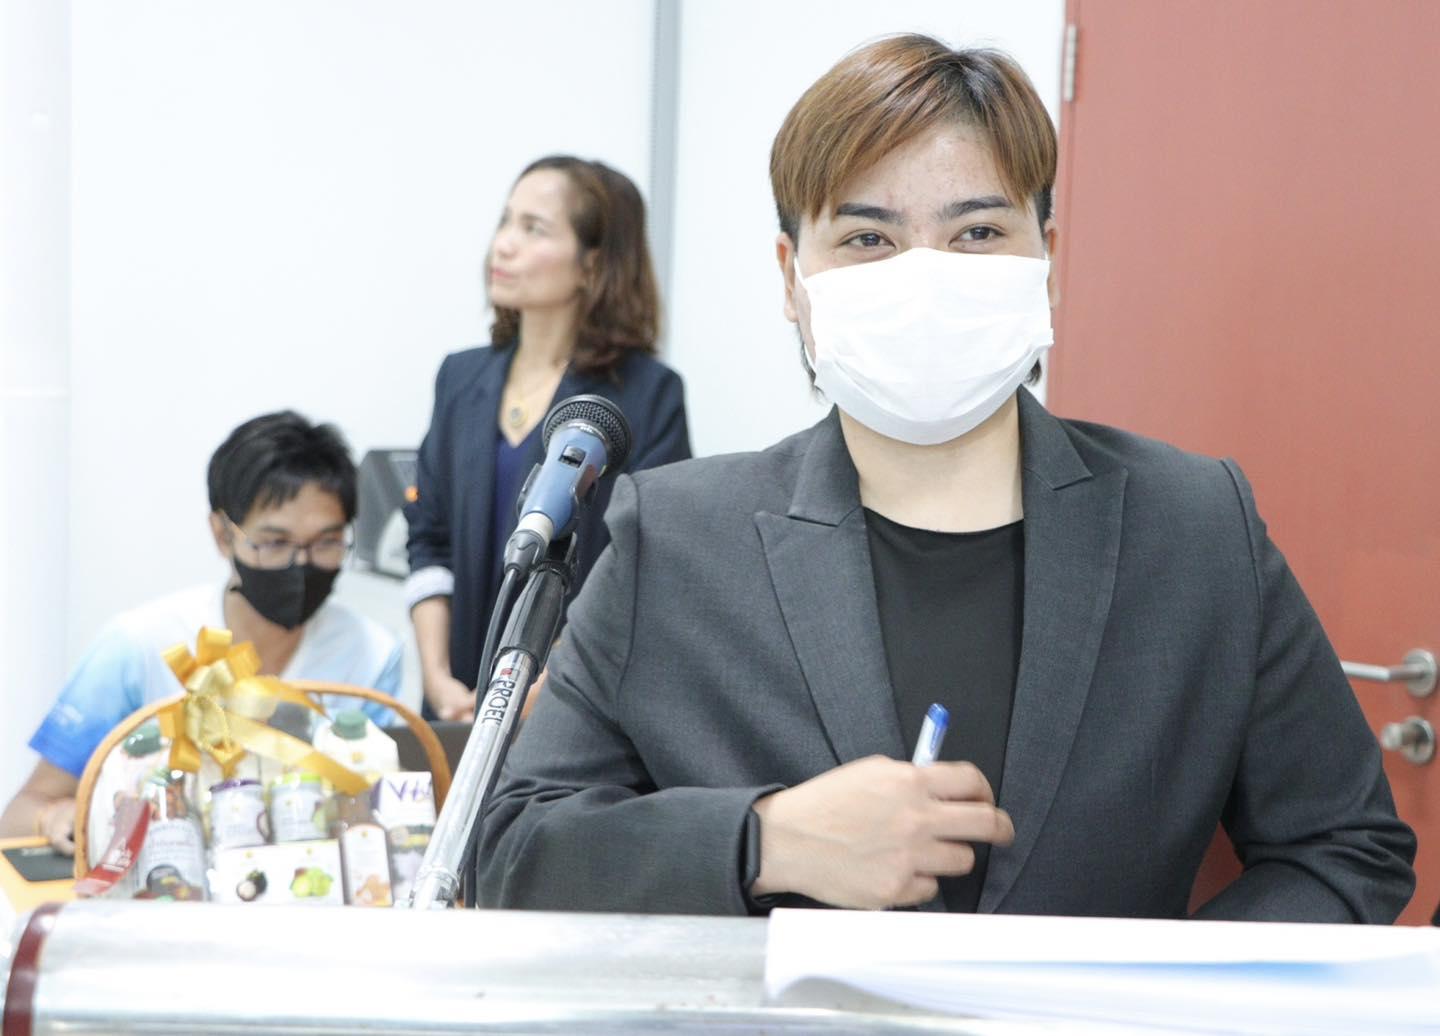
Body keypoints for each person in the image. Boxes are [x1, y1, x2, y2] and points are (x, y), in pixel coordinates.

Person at [477, 35, 1416, 921]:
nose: (925, 277)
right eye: (868, 239)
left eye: (977, 231)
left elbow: (1348, 848)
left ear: (1048, 259)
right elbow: (512, 851)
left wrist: (1150, 995)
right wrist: (764, 842)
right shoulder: (674, 538)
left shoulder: (1197, 526)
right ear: (792, 278)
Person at [0, 411, 402, 854]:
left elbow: (384, 810)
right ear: (222, 534)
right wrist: (53, 817)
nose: (301, 564)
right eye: (274, 543)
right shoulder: (143, 644)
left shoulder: (372, 654)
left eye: (327, 542)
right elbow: (20, 815)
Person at [405, 155, 690, 722]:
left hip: (573, 706)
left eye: (533, 229)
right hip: (455, 704)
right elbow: (429, 539)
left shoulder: (648, 394)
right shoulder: (460, 378)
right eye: (505, 221)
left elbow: (641, 569)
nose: (503, 245)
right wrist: (436, 678)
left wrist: (544, 683)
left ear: (593, 264)